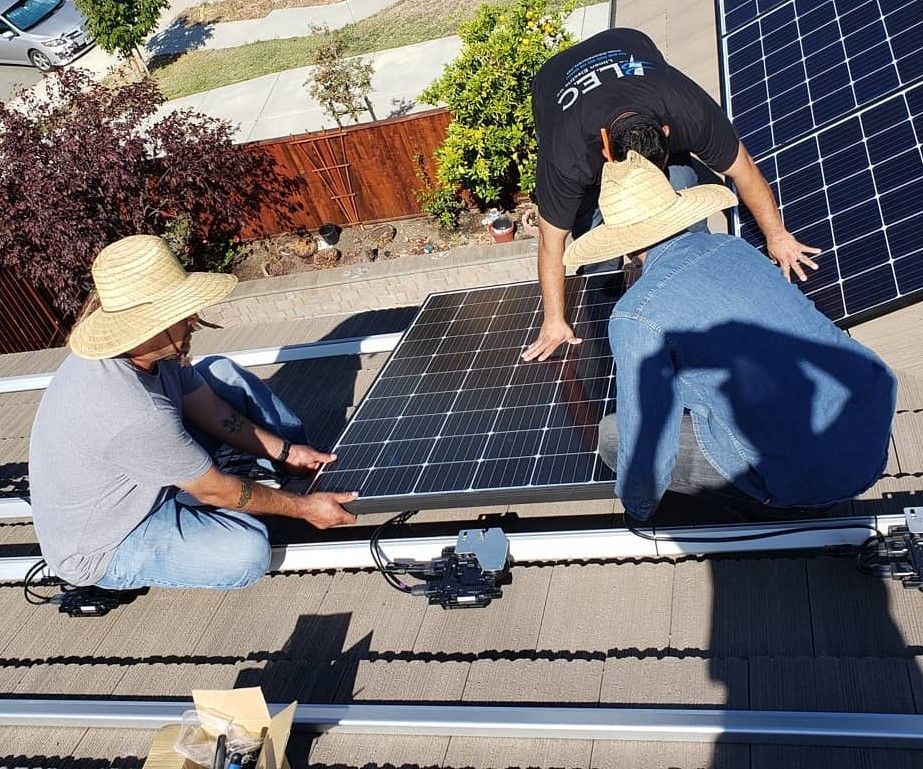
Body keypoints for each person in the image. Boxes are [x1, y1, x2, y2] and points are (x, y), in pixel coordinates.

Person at [565, 152, 895, 521]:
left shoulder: (635, 314)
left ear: (622, 242)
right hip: (870, 426)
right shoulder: (732, 247)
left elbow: (648, 445)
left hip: (810, 475)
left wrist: (638, 510)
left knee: (613, 437)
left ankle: (770, 507)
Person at [29, 235, 358, 591]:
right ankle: (302, 499)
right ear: (146, 327)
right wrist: (304, 509)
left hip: (139, 473)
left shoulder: (156, 355)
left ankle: (303, 471)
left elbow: (209, 406)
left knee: (221, 373)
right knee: (246, 552)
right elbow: (215, 492)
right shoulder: (134, 410)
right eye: (182, 313)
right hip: (107, 542)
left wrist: (286, 451)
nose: (194, 320)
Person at [523, 27, 821, 362]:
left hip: (625, 42)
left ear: (666, 132)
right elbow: (552, 242)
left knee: (684, 208)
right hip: (554, 83)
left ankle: (697, 295)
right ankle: (614, 331)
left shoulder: (687, 111)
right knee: (597, 253)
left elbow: (744, 169)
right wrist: (554, 320)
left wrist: (778, 236)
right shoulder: (568, 157)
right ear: (608, 153)